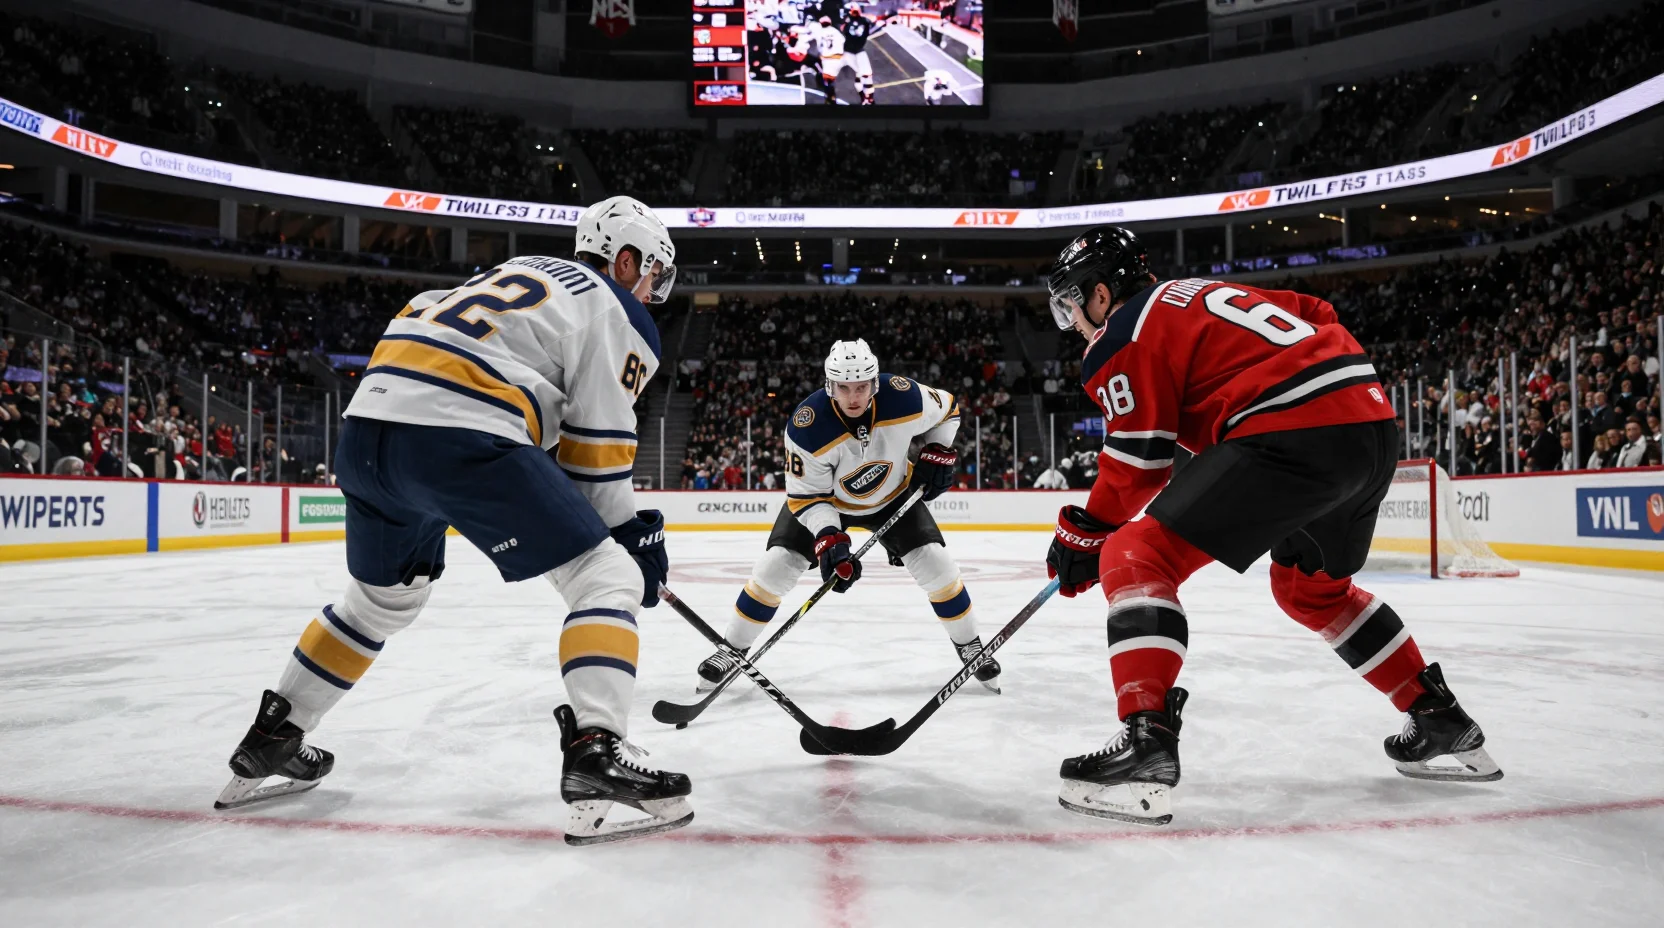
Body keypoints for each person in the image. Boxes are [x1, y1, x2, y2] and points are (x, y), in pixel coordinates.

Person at [215, 196, 691, 846]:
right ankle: (597, 753)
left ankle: (275, 733)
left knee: (380, 603)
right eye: (652, 275)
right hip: (458, 433)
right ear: (626, 259)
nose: (652, 293)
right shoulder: (615, 306)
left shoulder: (514, 275)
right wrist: (634, 544)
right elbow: (596, 462)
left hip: (367, 431)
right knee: (604, 578)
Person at [1042, 226, 1501, 826]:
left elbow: (1139, 459)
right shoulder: (1199, 291)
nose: (1074, 320)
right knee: (1310, 589)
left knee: (1135, 555)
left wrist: (1087, 530)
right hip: (1370, 424)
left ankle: (1146, 744)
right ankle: (1440, 719)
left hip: (1289, 430)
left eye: (1073, 303)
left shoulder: (1119, 334)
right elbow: (1318, 311)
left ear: (1101, 294)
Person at [692, 338, 1003, 694]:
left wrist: (938, 449)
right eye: (843, 387)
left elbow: (949, 410)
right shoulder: (806, 427)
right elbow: (808, 497)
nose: (853, 397)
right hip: (827, 503)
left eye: (861, 387)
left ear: (874, 382)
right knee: (775, 567)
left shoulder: (904, 396)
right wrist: (829, 539)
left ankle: (970, 646)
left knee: (937, 564)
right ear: (829, 385)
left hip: (893, 496)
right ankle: (732, 649)